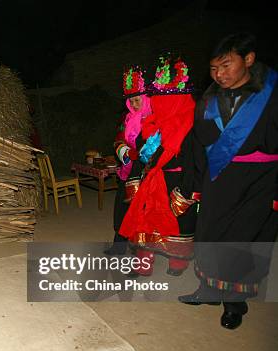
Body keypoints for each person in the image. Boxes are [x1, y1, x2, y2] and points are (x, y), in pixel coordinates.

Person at [178, 32, 278, 330]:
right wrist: (193, 185)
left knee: (243, 242)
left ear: (248, 59)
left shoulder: (272, 93)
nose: (219, 74)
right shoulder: (208, 100)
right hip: (218, 179)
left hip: (259, 182)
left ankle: (235, 302)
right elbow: (197, 144)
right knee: (210, 235)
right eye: (213, 69)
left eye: (225, 65)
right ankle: (209, 289)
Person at [119, 55, 200, 276]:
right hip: (155, 178)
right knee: (145, 220)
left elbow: (196, 161)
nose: (158, 103)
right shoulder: (152, 123)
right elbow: (143, 152)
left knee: (178, 221)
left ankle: (178, 262)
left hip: (179, 179)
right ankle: (143, 263)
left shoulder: (191, 126)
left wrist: (187, 190)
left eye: (164, 99)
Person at [105, 65, 150, 256]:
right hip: (127, 171)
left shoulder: (153, 117)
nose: (134, 101)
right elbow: (118, 139)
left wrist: (140, 153)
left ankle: (139, 255)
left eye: (137, 97)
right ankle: (118, 246)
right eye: (131, 98)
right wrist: (125, 151)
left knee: (140, 214)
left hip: (145, 173)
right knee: (121, 209)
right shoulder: (127, 118)